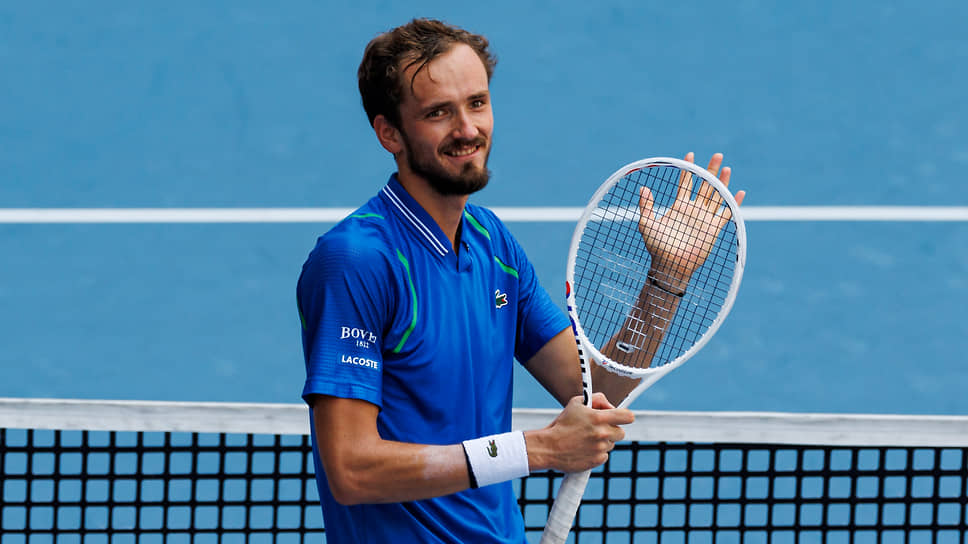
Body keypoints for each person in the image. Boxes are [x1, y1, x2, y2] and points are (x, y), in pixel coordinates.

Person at [296, 18, 744, 543]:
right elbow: (352, 470)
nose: (468, 129)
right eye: (438, 112)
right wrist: (537, 449)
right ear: (389, 132)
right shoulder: (357, 261)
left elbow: (597, 391)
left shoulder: (494, 245)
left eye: (477, 103)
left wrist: (665, 279)